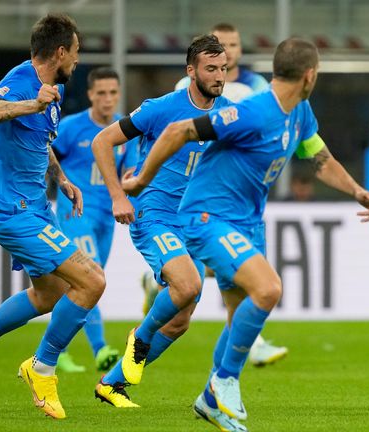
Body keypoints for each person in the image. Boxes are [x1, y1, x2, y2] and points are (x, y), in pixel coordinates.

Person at [122, 37, 369, 431]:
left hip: (245, 221)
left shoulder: (300, 112)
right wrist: (141, 179)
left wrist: (358, 192)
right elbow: (177, 131)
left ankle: (207, 401)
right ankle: (220, 384)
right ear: (310, 75)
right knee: (268, 289)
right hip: (206, 217)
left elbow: (320, 159)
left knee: (236, 315)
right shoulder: (252, 113)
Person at [0, 14, 106, 420]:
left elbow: (39, 138)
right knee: (92, 280)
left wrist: (62, 179)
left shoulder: (52, 92)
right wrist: (32, 102)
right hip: (13, 212)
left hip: (37, 207)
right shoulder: (21, 83)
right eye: (77, 53)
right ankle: (42, 368)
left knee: (48, 294)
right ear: (61, 52)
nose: (78, 63)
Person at [91, 34, 230, 411]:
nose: (219, 76)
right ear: (191, 72)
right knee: (187, 286)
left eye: (223, 68)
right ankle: (139, 338)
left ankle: (112, 383)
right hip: (155, 214)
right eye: (211, 69)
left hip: (194, 224)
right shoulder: (161, 108)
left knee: (181, 320)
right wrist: (118, 196)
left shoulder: (230, 114)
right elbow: (103, 142)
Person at [175, 22, 289, 367]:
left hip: (239, 199)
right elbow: (175, 130)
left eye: (234, 44)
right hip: (196, 193)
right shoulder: (187, 86)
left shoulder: (255, 88)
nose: (229, 50)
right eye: (222, 45)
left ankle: (228, 371)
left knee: (243, 283)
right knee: (188, 294)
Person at [50, 67, 138, 373]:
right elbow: (46, 156)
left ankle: (56, 350)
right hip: (74, 214)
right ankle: (101, 350)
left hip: (107, 216)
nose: (107, 99)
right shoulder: (72, 128)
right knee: (92, 276)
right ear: (90, 95)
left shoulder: (127, 130)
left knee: (83, 285)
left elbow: (131, 174)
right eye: (101, 92)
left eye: (113, 92)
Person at [175, 22, 268, 103]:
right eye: (221, 45)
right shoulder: (187, 84)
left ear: (240, 50)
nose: (227, 51)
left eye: (233, 45)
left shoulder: (258, 84)